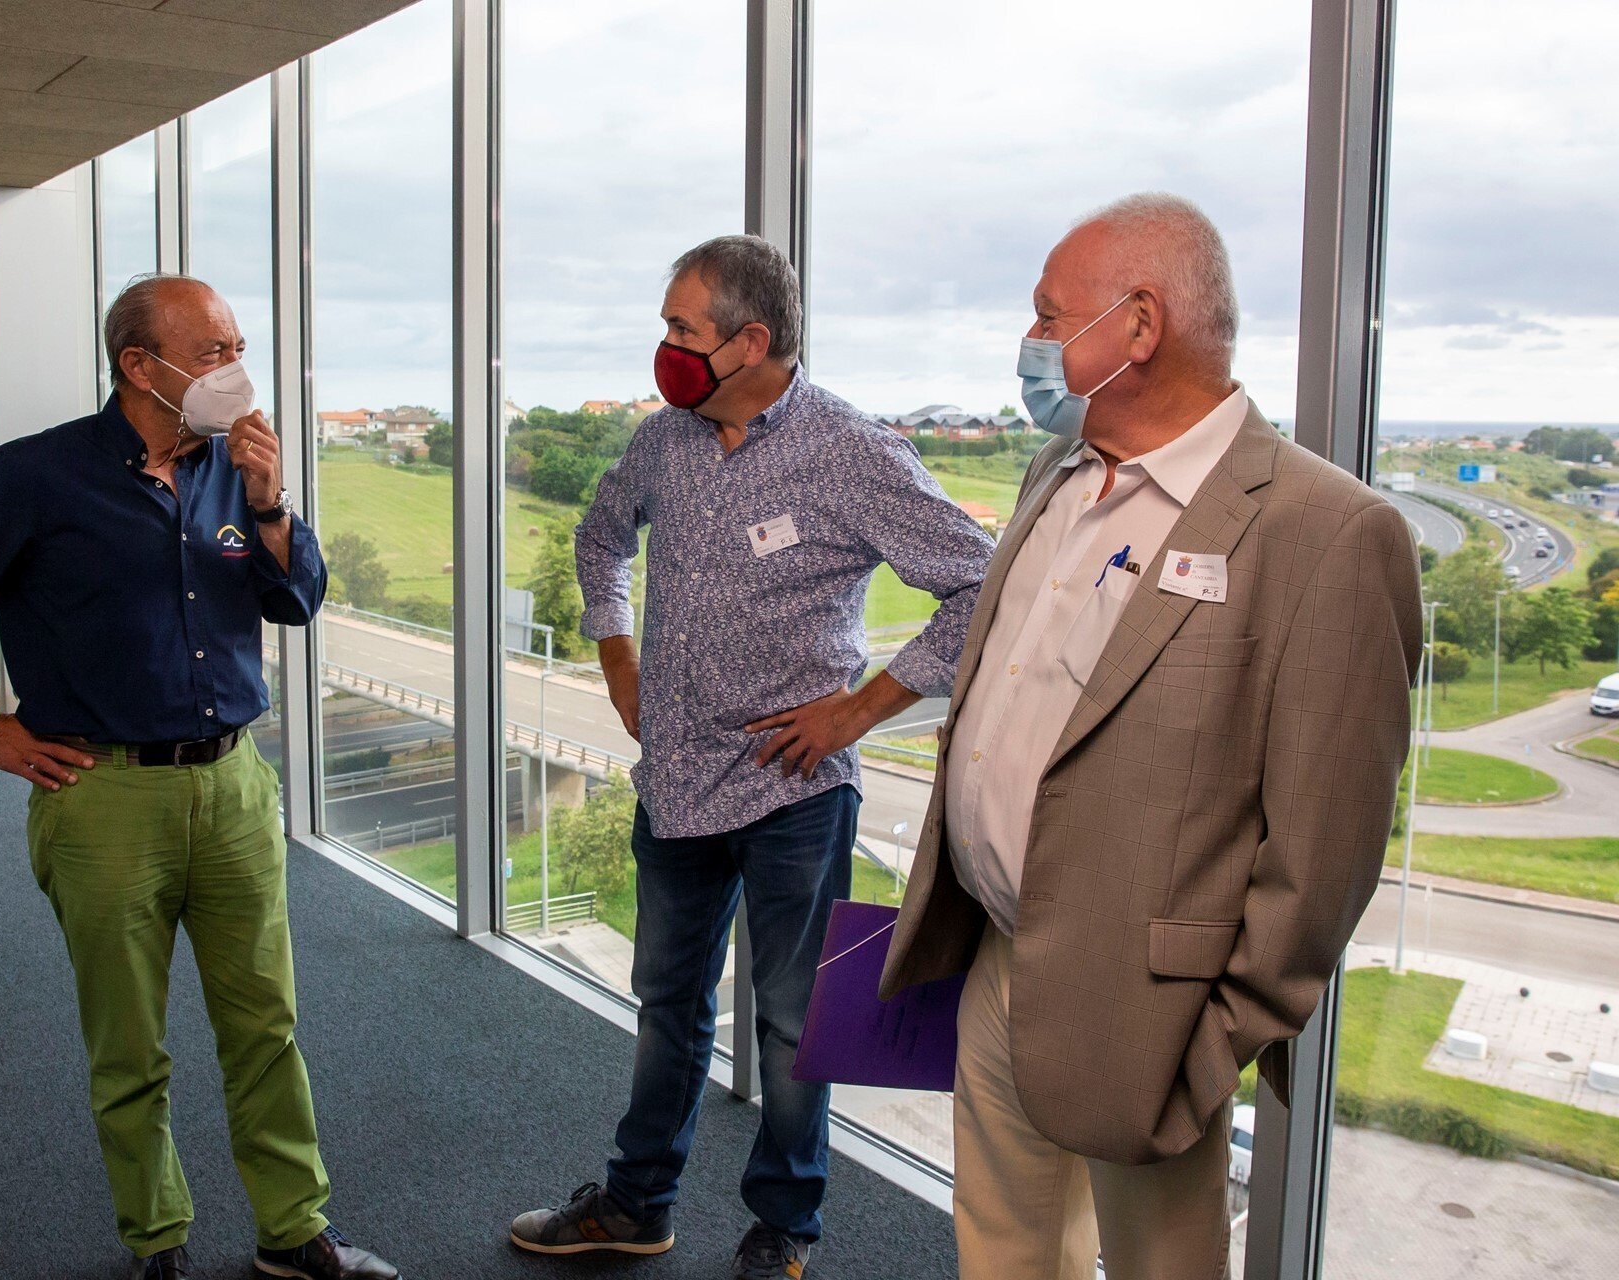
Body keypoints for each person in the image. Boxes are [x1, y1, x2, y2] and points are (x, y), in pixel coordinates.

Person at [878, 194, 1423, 1279]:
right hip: (998, 956)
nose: (1030, 339)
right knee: (1002, 1247)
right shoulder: (1055, 473)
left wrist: (1214, 1041)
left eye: (1048, 315)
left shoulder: (1327, 534)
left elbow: (1325, 851)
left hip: (1149, 1019)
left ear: (1138, 323)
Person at [0, 274, 400, 1280]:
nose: (234, 369)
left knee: (266, 1025)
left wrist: (272, 505)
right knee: (129, 1042)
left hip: (234, 786)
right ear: (138, 365)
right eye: (212, 351)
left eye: (237, 346)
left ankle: (294, 1229)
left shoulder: (236, 469)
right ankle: (155, 1239)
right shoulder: (37, 475)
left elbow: (297, 602)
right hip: (103, 795)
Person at [507, 235, 995, 1279]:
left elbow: (981, 585)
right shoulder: (664, 441)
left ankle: (784, 1226)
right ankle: (636, 1202)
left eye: (682, 328)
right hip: (677, 781)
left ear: (750, 341)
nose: (665, 347)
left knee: (790, 1022)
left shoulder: (850, 450)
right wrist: (617, 656)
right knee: (665, 1004)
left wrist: (860, 712)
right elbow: (601, 536)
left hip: (793, 791)